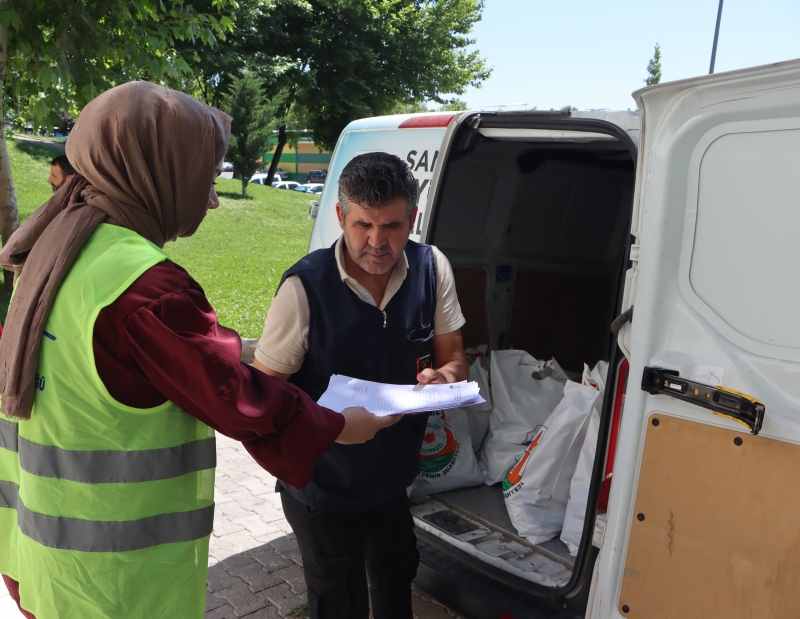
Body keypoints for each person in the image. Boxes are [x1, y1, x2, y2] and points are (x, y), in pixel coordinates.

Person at [0, 82, 396, 619]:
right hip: (117, 580)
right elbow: (232, 393)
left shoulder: (52, 248)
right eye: (204, 179)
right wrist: (338, 425)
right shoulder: (145, 287)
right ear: (152, 171)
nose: (211, 199)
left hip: (43, 551)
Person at [253, 152, 469, 619]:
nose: (376, 242)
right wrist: (332, 428)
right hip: (322, 484)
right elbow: (262, 399)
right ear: (340, 216)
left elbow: (454, 357)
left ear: (413, 217)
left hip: (392, 478)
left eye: (391, 226)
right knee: (339, 599)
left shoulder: (432, 268)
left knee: (396, 575)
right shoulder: (304, 289)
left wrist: (444, 378)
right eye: (362, 226)